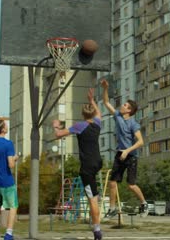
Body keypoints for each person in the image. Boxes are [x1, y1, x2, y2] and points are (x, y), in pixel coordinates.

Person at [53, 88, 103, 240]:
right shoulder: (97, 124)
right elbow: (99, 113)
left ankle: (97, 231)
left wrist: (56, 125)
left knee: (92, 199)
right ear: (93, 114)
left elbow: (58, 134)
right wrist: (92, 100)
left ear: (83, 114)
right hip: (97, 162)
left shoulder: (79, 126)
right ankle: (96, 224)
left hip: (87, 167)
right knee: (93, 196)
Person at [99, 79, 148, 220]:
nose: (122, 105)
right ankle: (112, 209)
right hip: (119, 154)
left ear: (130, 110)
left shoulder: (133, 124)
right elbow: (106, 102)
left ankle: (144, 204)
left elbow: (141, 142)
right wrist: (105, 88)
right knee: (112, 182)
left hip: (131, 156)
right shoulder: (118, 116)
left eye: (125, 105)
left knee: (131, 185)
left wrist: (127, 151)